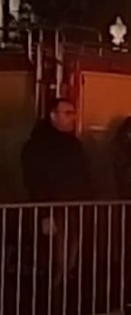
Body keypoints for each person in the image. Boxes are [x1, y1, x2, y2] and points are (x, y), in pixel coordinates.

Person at [20, 98, 92, 287]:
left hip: (74, 204)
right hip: (53, 204)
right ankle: (55, 287)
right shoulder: (38, 145)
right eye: (67, 113)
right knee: (57, 249)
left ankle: (64, 282)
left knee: (71, 246)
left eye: (73, 113)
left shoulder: (73, 144)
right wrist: (45, 211)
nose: (73, 118)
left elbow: (84, 173)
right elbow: (34, 179)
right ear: (53, 115)